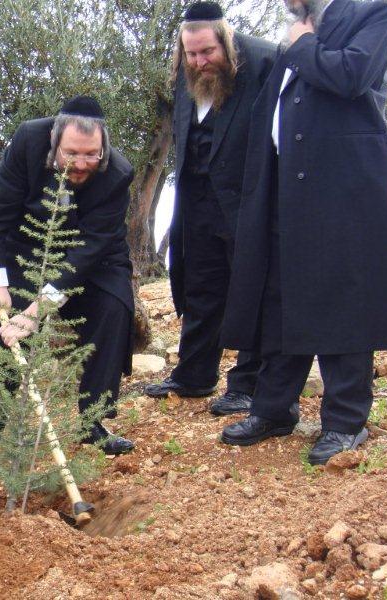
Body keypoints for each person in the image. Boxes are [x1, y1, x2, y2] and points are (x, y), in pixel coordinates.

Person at [220, 0, 387, 464]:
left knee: (344, 297)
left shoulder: (370, 14)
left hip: (344, 187)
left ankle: (345, 423)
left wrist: (302, 43)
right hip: (288, 185)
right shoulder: (295, 31)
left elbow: (352, 75)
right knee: (280, 297)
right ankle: (274, 408)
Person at [0, 96, 136, 480]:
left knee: (115, 308)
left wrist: (39, 309)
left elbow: (90, 248)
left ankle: (93, 421)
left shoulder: (118, 173)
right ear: (54, 139)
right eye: (72, 154)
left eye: (91, 155)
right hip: (25, 245)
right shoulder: (29, 141)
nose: (81, 164)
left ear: (104, 146)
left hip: (92, 252)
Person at [144, 2, 275, 416]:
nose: (200, 62)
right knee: (201, 287)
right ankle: (194, 374)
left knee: (248, 289)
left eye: (207, 52)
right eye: (192, 54)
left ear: (226, 41)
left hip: (247, 202)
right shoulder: (187, 76)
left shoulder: (262, 62)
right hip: (198, 202)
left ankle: (247, 384)